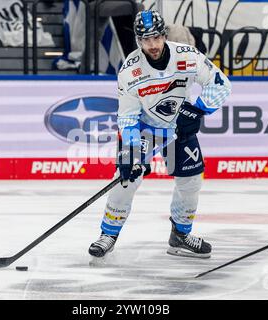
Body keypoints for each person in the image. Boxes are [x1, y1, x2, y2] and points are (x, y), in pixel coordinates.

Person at [88, 10, 231, 260]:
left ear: (164, 35)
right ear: (138, 40)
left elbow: (221, 84)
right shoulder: (129, 71)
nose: (152, 45)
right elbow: (127, 117)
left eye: (156, 38)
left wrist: (196, 110)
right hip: (146, 128)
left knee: (191, 181)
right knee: (126, 179)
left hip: (179, 128)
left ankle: (180, 235)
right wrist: (131, 152)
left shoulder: (187, 56)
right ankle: (108, 234)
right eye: (145, 39)